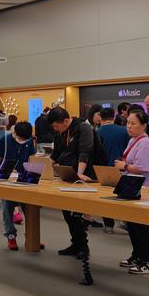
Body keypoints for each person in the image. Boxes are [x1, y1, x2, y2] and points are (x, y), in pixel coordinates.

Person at [48, 107, 102, 257]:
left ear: (65, 121)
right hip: (69, 175)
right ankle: (76, 243)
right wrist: (44, 167)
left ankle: (83, 247)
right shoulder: (60, 132)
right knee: (67, 212)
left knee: (76, 213)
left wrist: (80, 173)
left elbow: (85, 152)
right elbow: (57, 153)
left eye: (56, 126)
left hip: (85, 176)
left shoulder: (83, 128)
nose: (55, 129)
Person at [116, 109, 149, 274]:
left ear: (143, 125)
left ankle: (148, 261)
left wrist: (124, 166)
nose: (129, 126)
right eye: (128, 122)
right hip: (132, 187)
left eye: (133, 123)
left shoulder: (146, 143)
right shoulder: (133, 140)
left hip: (144, 188)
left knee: (143, 227)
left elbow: (143, 168)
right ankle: (137, 256)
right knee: (133, 225)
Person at [0, 121, 36, 250]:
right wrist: (6, 169)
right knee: (7, 209)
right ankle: (11, 236)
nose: (23, 141)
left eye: (26, 139)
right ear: (15, 133)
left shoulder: (29, 141)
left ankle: (32, 236)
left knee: (31, 209)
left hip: (25, 178)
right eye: (20, 138)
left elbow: (32, 157)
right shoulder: (5, 140)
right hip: (7, 179)